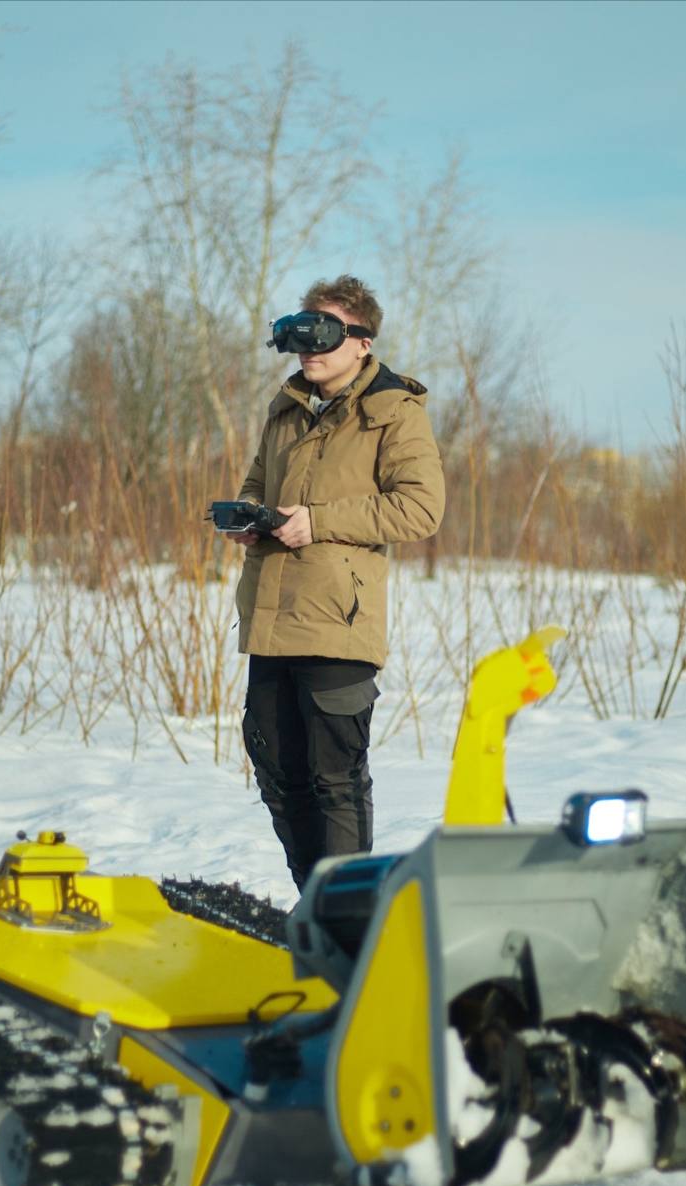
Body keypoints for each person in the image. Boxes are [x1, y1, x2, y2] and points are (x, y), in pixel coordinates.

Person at [225, 275, 444, 890]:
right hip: (272, 614)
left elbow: (421, 510)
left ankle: (350, 921)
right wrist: (251, 516)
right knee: (275, 764)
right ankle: (317, 900)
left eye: (321, 333)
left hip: (338, 622)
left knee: (335, 778)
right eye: (297, 332)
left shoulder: (393, 413)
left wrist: (318, 523)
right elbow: (256, 482)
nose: (307, 347)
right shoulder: (287, 408)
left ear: (362, 341)